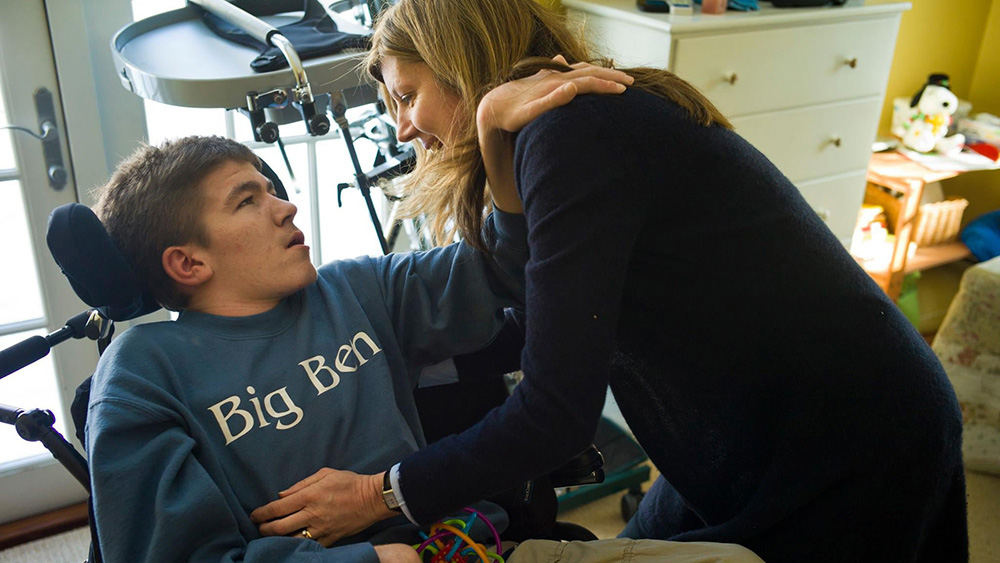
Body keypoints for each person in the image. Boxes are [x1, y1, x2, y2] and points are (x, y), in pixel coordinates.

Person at [250, 1, 969, 562]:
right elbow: (517, 280)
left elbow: (555, 413)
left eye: (406, 96)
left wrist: (382, 494)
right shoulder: (543, 131)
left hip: (847, 439)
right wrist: (494, 133)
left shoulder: (575, 134)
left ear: (456, 62)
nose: (403, 128)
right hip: (744, 437)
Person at [85, 134, 536, 563]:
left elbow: (508, 262)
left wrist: (499, 138)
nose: (286, 208)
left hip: (475, 546)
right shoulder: (143, 371)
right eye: (247, 201)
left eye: (271, 191)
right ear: (189, 262)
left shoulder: (352, 289)